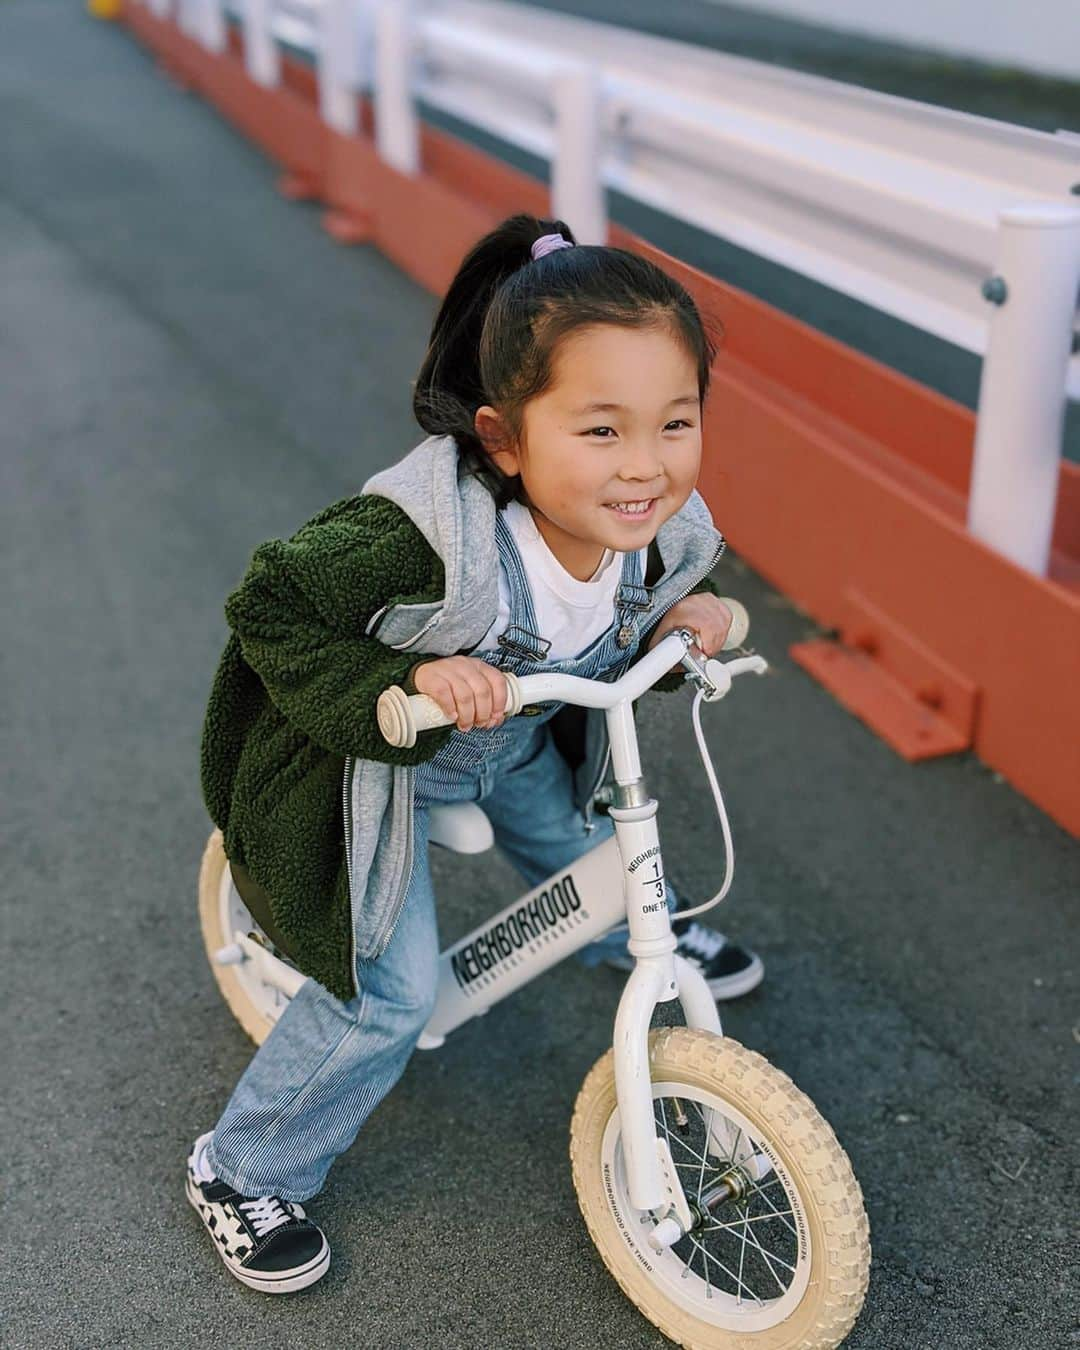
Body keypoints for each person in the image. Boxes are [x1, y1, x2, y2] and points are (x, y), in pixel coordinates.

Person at [189, 214, 765, 1293]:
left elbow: (679, 589)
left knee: (579, 838)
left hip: (512, 749)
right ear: (505, 440)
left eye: (675, 423)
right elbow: (268, 605)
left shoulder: (657, 528)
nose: (645, 467)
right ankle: (240, 1166)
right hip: (378, 775)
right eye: (601, 432)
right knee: (391, 999)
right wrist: (400, 685)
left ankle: (628, 943)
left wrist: (705, 619)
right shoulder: (420, 542)